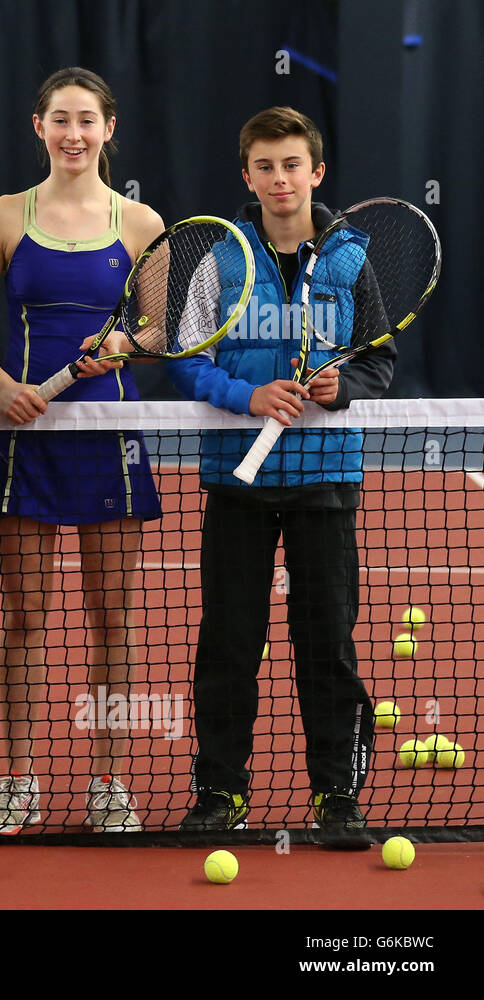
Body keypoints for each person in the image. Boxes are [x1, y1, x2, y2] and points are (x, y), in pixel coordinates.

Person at [168, 107, 392, 845]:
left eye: (291, 164)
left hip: (326, 478)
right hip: (238, 480)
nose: (279, 178)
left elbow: (379, 360)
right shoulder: (219, 258)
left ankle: (336, 798)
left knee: (325, 642)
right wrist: (248, 396)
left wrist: (343, 388)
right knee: (229, 641)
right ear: (247, 176)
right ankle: (220, 793)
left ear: (316, 172)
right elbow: (190, 362)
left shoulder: (351, 259)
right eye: (264, 166)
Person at [0, 67, 165, 835]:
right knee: (24, 619)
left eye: (87, 120)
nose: (73, 134)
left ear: (109, 128)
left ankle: (108, 782)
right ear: (38, 128)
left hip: (108, 441)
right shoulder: (2, 218)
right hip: (24, 441)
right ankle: (19, 780)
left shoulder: (141, 223)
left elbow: (159, 331)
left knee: (113, 620)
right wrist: (0, 388)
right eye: (60, 120)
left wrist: (124, 340)